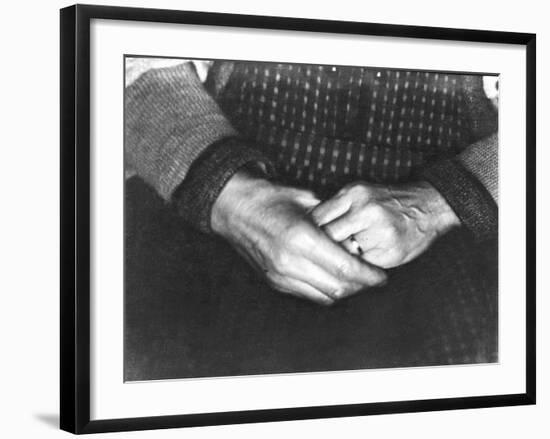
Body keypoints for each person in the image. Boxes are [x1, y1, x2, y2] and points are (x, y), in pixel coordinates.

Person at [124, 58, 498, 380]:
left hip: (453, 235)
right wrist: (226, 193)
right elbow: (116, 53)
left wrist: (447, 199)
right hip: (220, 200)